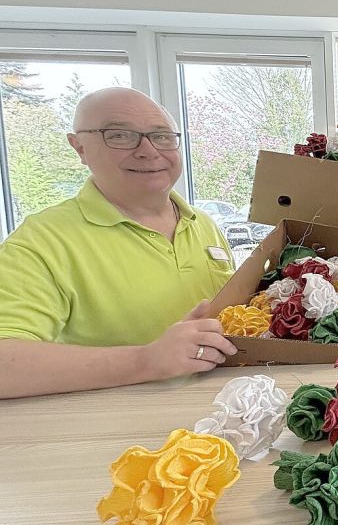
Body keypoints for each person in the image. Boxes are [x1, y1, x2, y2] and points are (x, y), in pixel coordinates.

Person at [0, 87, 239, 399]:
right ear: (79, 147)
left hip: (218, 422)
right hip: (115, 435)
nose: (149, 150)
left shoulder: (203, 224)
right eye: (120, 135)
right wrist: (146, 360)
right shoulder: (40, 242)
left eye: (162, 136)